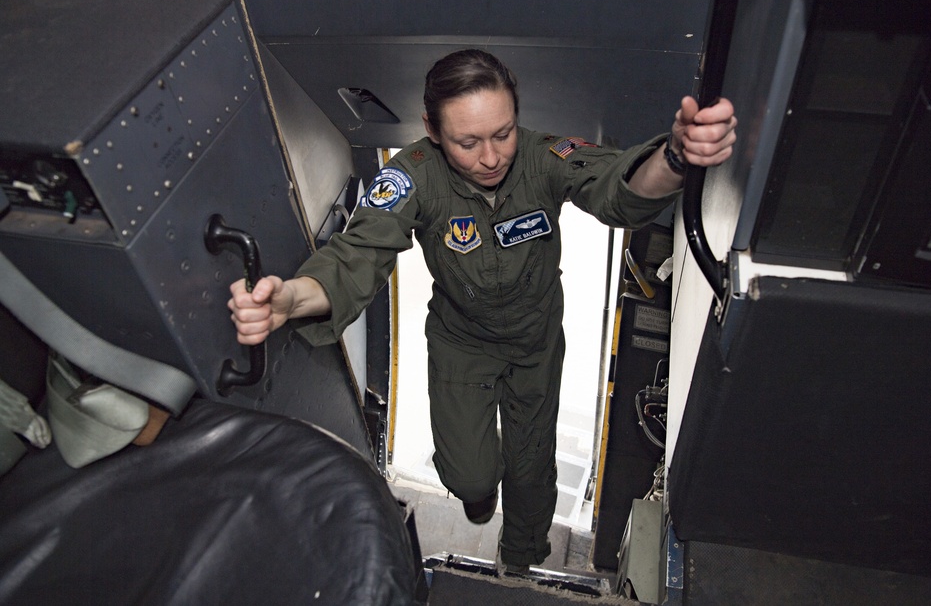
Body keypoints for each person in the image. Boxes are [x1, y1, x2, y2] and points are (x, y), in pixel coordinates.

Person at [228, 49, 737, 575]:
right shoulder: (413, 176)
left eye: (503, 133)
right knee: (471, 478)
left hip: (534, 345)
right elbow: (359, 254)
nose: (491, 157)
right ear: (431, 128)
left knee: (531, 469)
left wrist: (674, 158)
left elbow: (615, 188)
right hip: (461, 344)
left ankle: (518, 563)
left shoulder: (543, 155)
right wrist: (291, 298)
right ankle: (477, 496)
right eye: (467, 143)